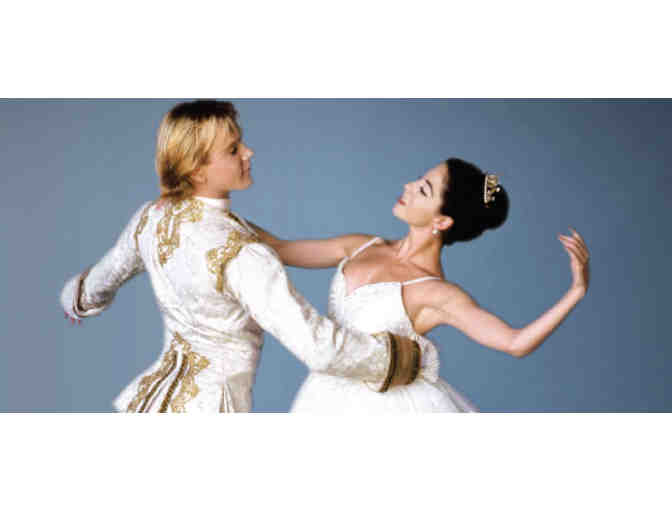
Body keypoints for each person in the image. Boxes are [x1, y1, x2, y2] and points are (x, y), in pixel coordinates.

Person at [59, 100, 424, 413]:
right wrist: (402, 357)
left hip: (150, 404)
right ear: (197, 170)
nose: (248, 152)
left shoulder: (151, 219)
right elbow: (317, 347)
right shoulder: (243, 255)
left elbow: (101, 279)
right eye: (233, 150)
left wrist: (76, 301)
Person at [252, 158, 591, 413]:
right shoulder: (360, 245)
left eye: (424, 189)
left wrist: (576, 291)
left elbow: (515, 343)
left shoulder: (436, 293)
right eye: (419, 179)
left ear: (441, 220)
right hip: (322, 398)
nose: (409, 185)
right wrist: (217, 207)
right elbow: (277, 248)